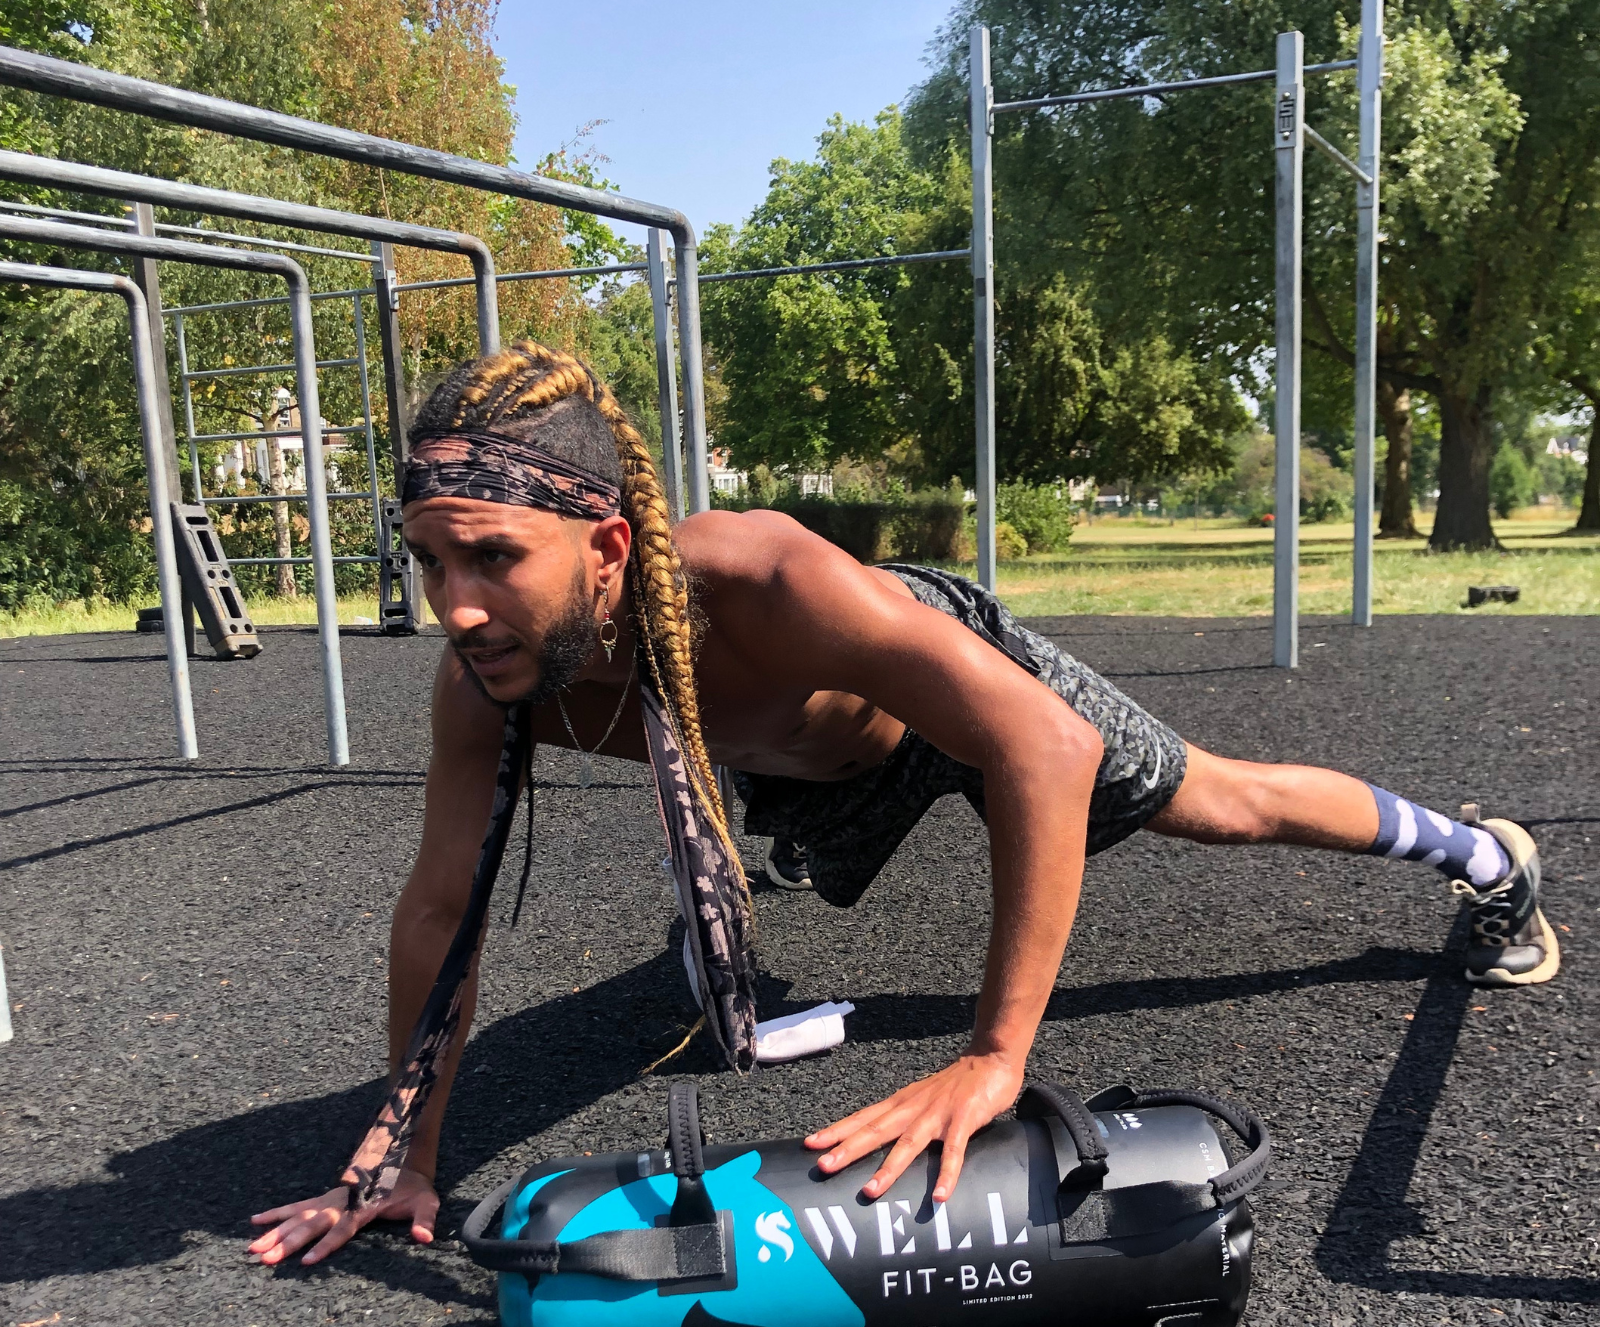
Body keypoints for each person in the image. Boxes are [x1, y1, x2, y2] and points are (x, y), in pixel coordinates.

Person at [249, 343, 1558, 1268]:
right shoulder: (488, 679)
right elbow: (440, 912)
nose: (456, 603)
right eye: (429, 560)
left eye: (492, 556)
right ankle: (746, 906)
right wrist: (401, 1154)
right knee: (758, 839)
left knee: (1219, 802)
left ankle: (1484, 853)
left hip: (948, 702)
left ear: (606, 549)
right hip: (803, 782)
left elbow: (1037, 745)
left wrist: (996, 1058)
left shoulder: (766, 579)